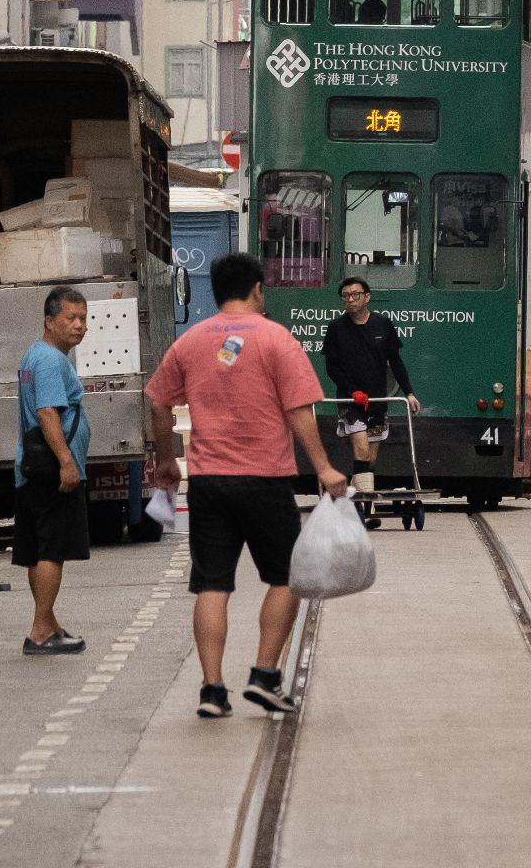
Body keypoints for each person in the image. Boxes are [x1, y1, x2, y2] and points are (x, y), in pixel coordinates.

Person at [147, 251, 349, 721]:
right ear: (258, 289)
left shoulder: (190, 342)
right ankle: (263, 675)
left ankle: (212, 689)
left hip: (209, 480)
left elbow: (158, 402)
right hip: (264, 478)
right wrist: (323, 467)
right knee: (287, 577)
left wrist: (166, 461)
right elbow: (300, 409)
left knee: (211, 584)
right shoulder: (276, 338)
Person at [14, 285, 91, 656]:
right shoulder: (49, 360)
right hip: (50, 470)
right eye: (70, 319)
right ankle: (41, 629)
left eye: (83, 319)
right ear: (49, 321)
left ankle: (49, 622)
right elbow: (47, 412)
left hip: (32, 468)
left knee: (39, 549)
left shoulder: (37, 355)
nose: (79, 326)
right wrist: (66, 462)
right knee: (51, 550)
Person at [322, 275, 420, 530]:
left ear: (367, 297)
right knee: (362, 451)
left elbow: (395, 362)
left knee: (370, 460)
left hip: (378, 401)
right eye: (345, 296)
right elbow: (331, 367)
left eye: (355, 295)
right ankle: (364, 513)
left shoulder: (383, 325)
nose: (350, 300)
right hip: (350, 401)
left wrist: (409, 392)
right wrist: (352, 390)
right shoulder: (336, 328)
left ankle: (353, 506)